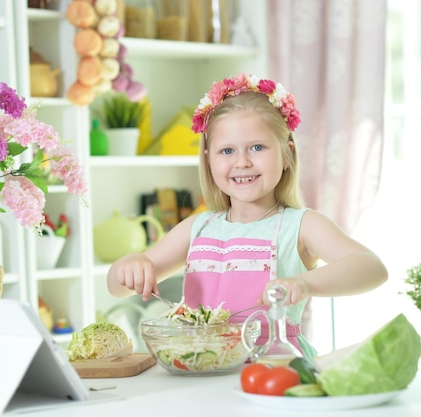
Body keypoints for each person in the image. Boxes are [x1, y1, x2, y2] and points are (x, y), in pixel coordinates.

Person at [107, 73, 388, 360]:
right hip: (202, 370)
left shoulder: (301, 226)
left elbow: (372, 268)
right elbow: (117, 288)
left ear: (287, 153)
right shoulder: (197, 228)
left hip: (275, 371)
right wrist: (129, 266)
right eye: (227, 150)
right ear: (208, 159)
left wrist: (306, 284)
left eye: (257, 147)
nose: (242, 162)